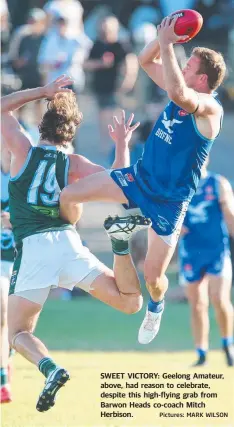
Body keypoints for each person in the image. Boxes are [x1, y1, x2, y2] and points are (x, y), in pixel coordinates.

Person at [60, 16, 226, 345]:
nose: (182, 65)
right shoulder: (183, 88)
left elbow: (178, 92)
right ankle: (67, 252)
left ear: (202, 77)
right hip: (139, 178)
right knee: (69, 195)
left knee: (154, 277)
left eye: (189, 64)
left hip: (169, 202)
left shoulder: (208, 108)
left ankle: (156, 305)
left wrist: (167, 43)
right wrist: (168, 35)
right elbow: (144, 60)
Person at [1, 75, 150, 412]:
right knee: (130, 303)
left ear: (42, 125)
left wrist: (43, 91)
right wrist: (122, 144)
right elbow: (119, 181)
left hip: (33, 250)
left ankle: (50, 369)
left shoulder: (23, 150)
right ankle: (120, 246)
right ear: (73, 131)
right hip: (69, 246)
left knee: (17, 333)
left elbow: (1, 108)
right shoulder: (74, 164)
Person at [179, 160, 234, 366]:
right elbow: (169, 217)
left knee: (219, 299)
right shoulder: (180, 185)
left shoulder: (218, 183)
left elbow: (230, 217)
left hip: (217, 250)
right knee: (198, 304)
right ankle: (201, 353)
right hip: (191, 252)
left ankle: (228, 345)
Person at [84, 15, 138, 153]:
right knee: (102, 116)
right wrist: (100, 64)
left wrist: (128, 82)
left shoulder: (121, 45)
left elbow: (131, 63)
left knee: (116, 116)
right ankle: (106, 145)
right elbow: (86, 64)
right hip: (100, 86)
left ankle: (118, 144)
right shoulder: (97, 44)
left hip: (117, 87)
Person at [0, 144, 15, 403]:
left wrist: (19, 219)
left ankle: (7, 357)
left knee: (15, 324)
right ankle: (2, 379)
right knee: (1, 313)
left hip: (23, 260)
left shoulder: (29, 177)